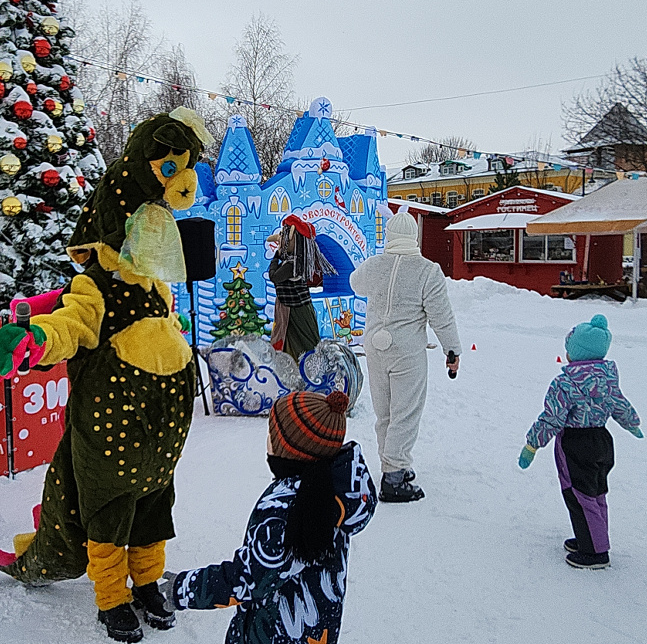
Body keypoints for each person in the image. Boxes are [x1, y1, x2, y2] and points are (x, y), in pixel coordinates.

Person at [0, 107, 213, 643]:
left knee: (153, 508)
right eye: (147, 230)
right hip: (112, 431)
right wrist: (34, 340)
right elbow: (70, 324)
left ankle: (146, 581)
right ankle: (112, 596)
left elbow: (164, 328)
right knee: (108, 512)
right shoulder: (96, 286)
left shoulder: (157, 286)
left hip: (158, 436)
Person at [164, 389, 376, 644]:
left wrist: (181, 588)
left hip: (274, 633)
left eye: (272, 435)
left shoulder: (286, 509)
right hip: (317, 630)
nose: (267, 440)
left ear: (290, 449)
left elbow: (247, 577)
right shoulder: (332, 490)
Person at [349, 209, 461, 503]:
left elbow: (355, 283)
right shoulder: (427, 271)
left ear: (389, 236)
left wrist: (378, 268)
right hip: (406, 352)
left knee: (384, 412)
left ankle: (392, 464)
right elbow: (442, 317)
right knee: (405, 413)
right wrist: (452, 350)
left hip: (375, 348)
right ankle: (394, 476)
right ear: (414, 236)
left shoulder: (374, 265)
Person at [518, 314, 642, 570]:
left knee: (579, 495)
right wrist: (632, 423)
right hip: (602, 440)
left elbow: (552, 419)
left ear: (577, 353)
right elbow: (619, 404)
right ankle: (593, 538)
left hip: (576, 443)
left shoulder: (564, 383)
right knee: (596, 493)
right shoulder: (608, 379)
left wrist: (532, 444)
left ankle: (595, 552)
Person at [267, 215, 336, 361]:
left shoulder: (292, 264)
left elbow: (274, 276)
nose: (281, 239)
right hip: (294, 307)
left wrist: (275, 257)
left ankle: (306, 365)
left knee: (300, 341)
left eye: (285, 236)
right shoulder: (297, 261)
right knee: (295, 340)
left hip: (294, 311)